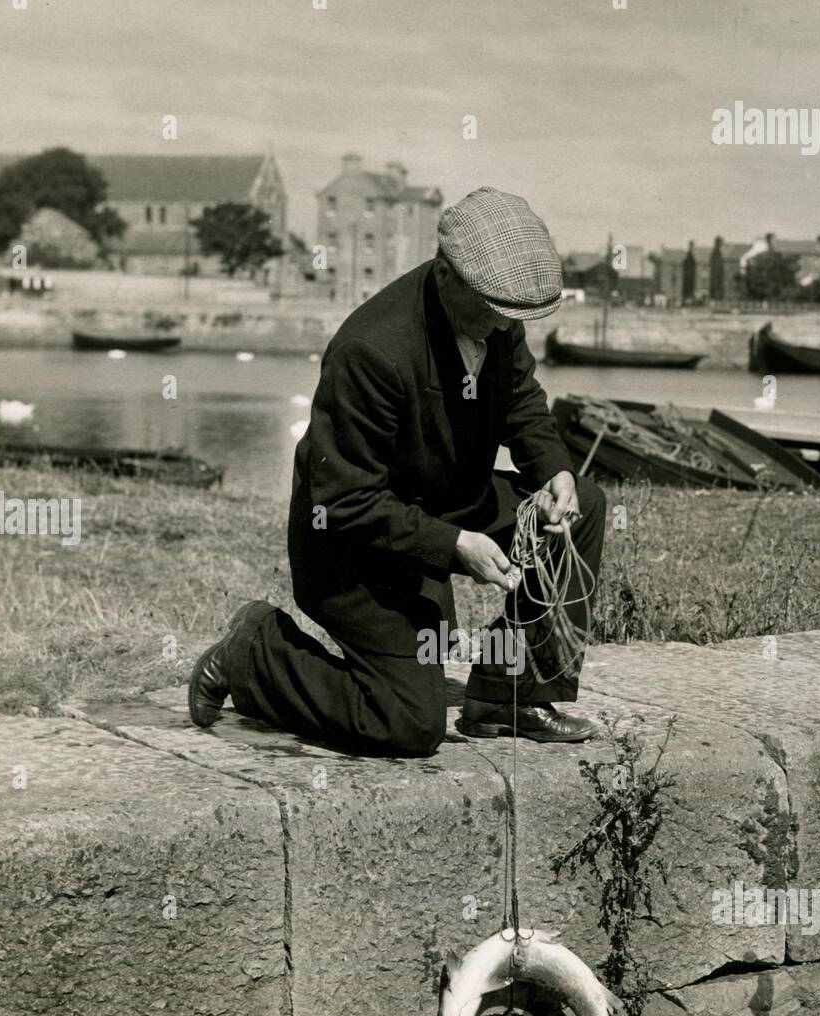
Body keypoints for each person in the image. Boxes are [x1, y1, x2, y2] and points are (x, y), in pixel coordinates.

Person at [188, 186, 606, 757]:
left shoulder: (495, 312)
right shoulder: (372, 349)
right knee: (408, 723)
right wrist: (455, 544)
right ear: (444, 273)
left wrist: (553, 469)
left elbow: (519, 398)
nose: (502, 324)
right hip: (356, 547)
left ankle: (510, 697)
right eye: (490, 310)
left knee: (583, 501)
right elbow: (345, 498)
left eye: (511, 316)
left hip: (447, 506)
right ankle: (255, 651)